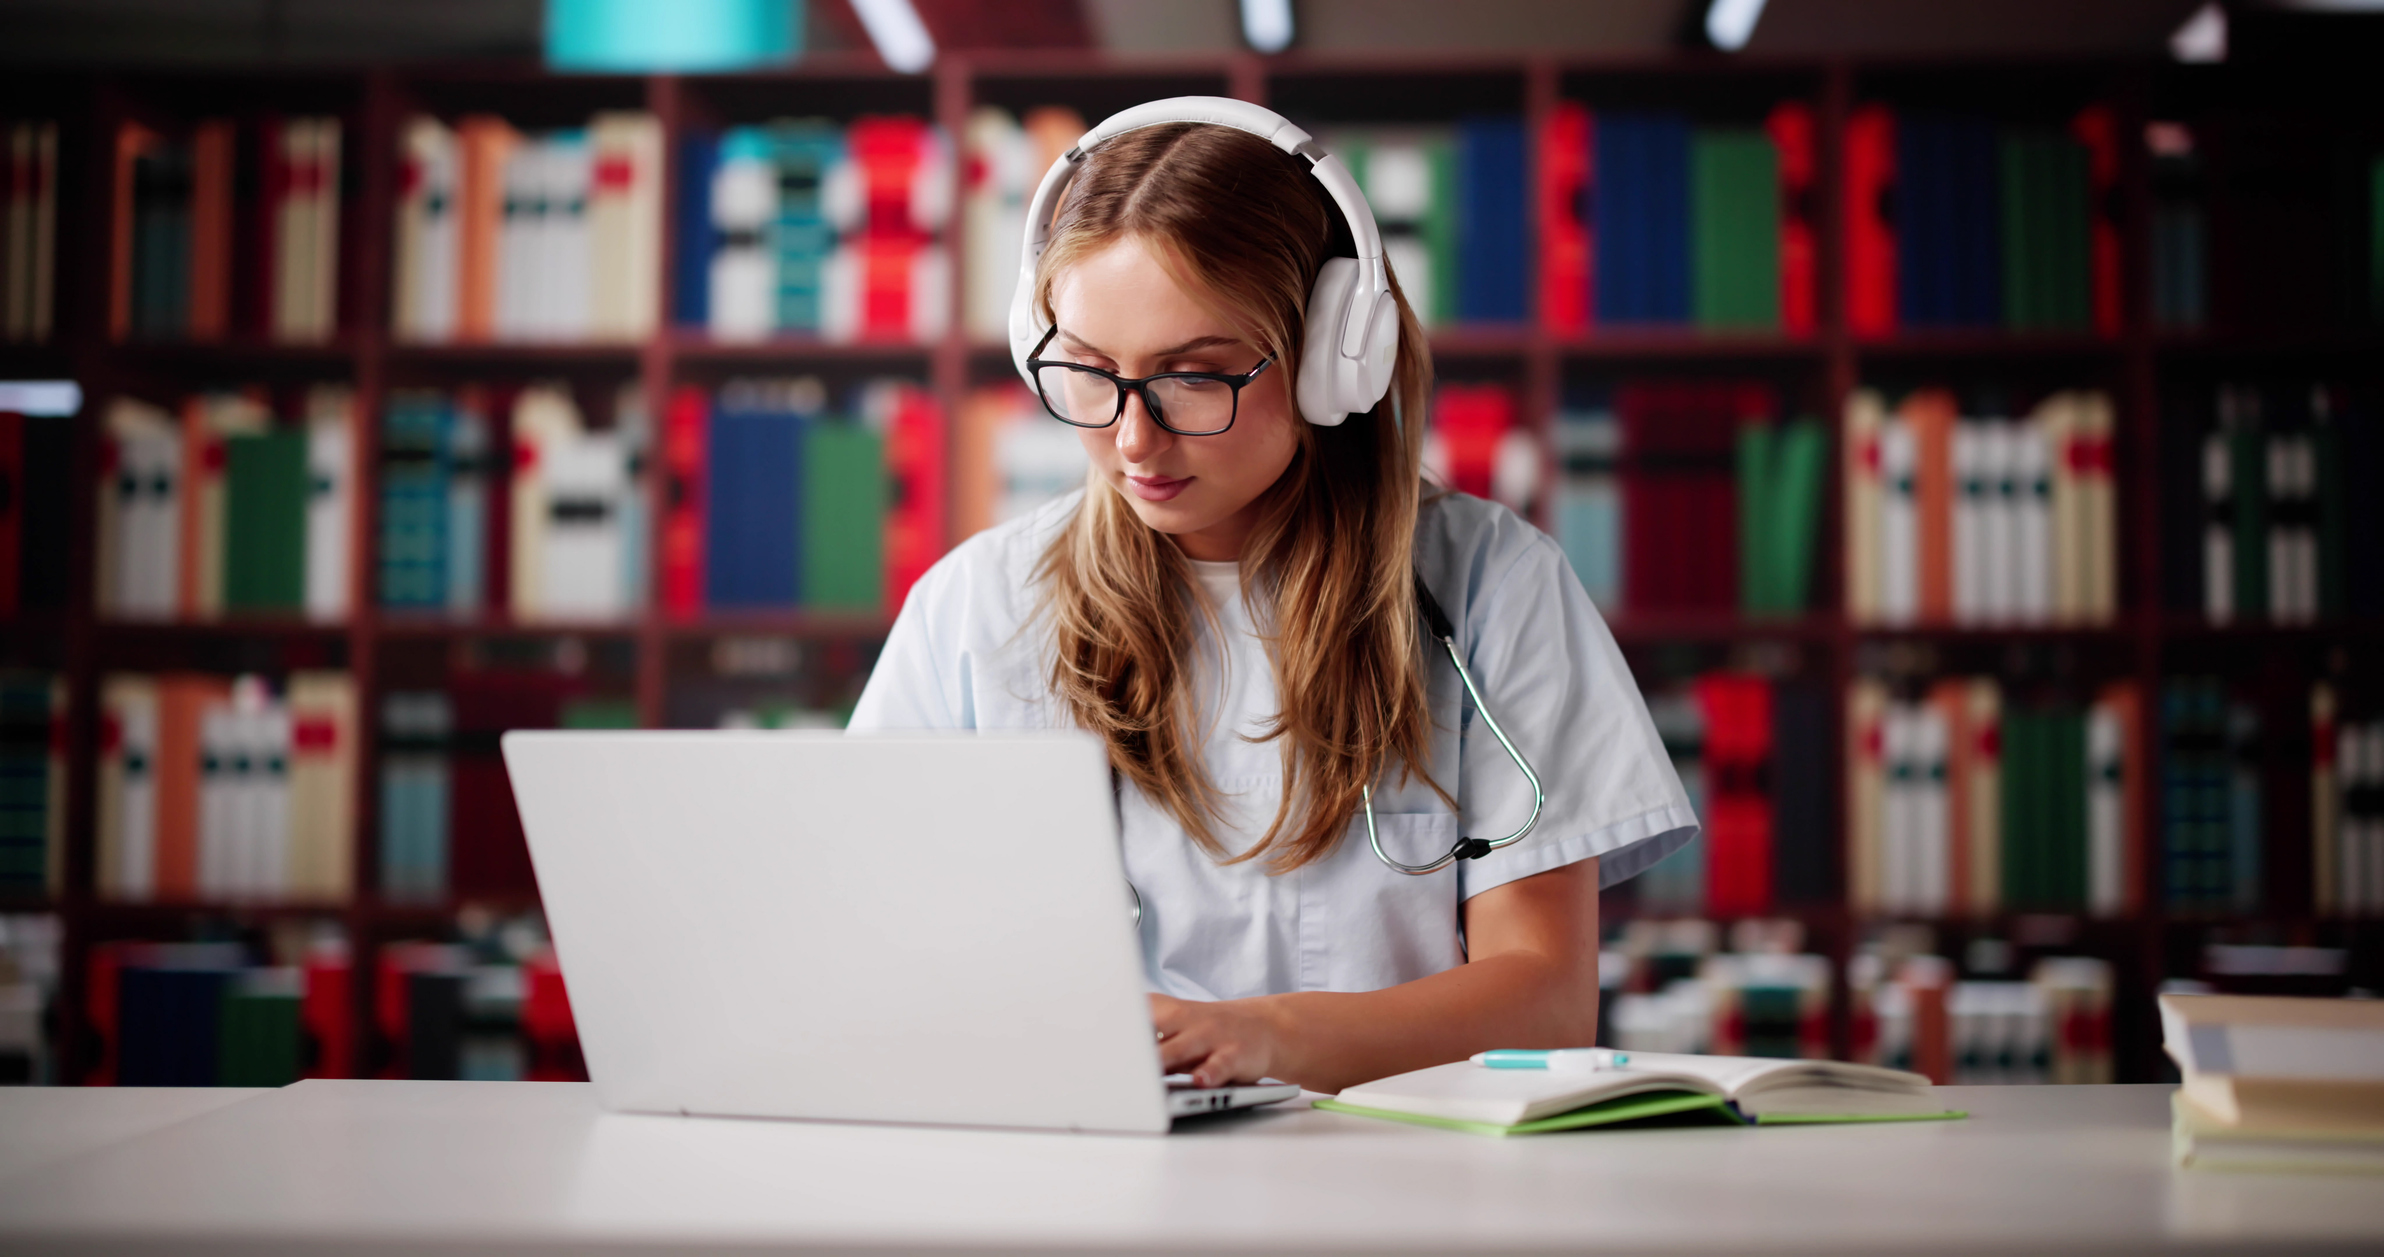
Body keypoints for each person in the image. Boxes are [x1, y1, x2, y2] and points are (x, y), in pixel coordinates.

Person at [849, 106, 1696, 1094]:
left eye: (1194, 378)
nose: (1132, 439)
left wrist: (1269, 1036)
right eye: (1087, 371)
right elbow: (875, 955)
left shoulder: (1491, 585)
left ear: (1338, 355)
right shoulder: (974, 607)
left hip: (1399, 1175)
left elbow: (1543, 999)